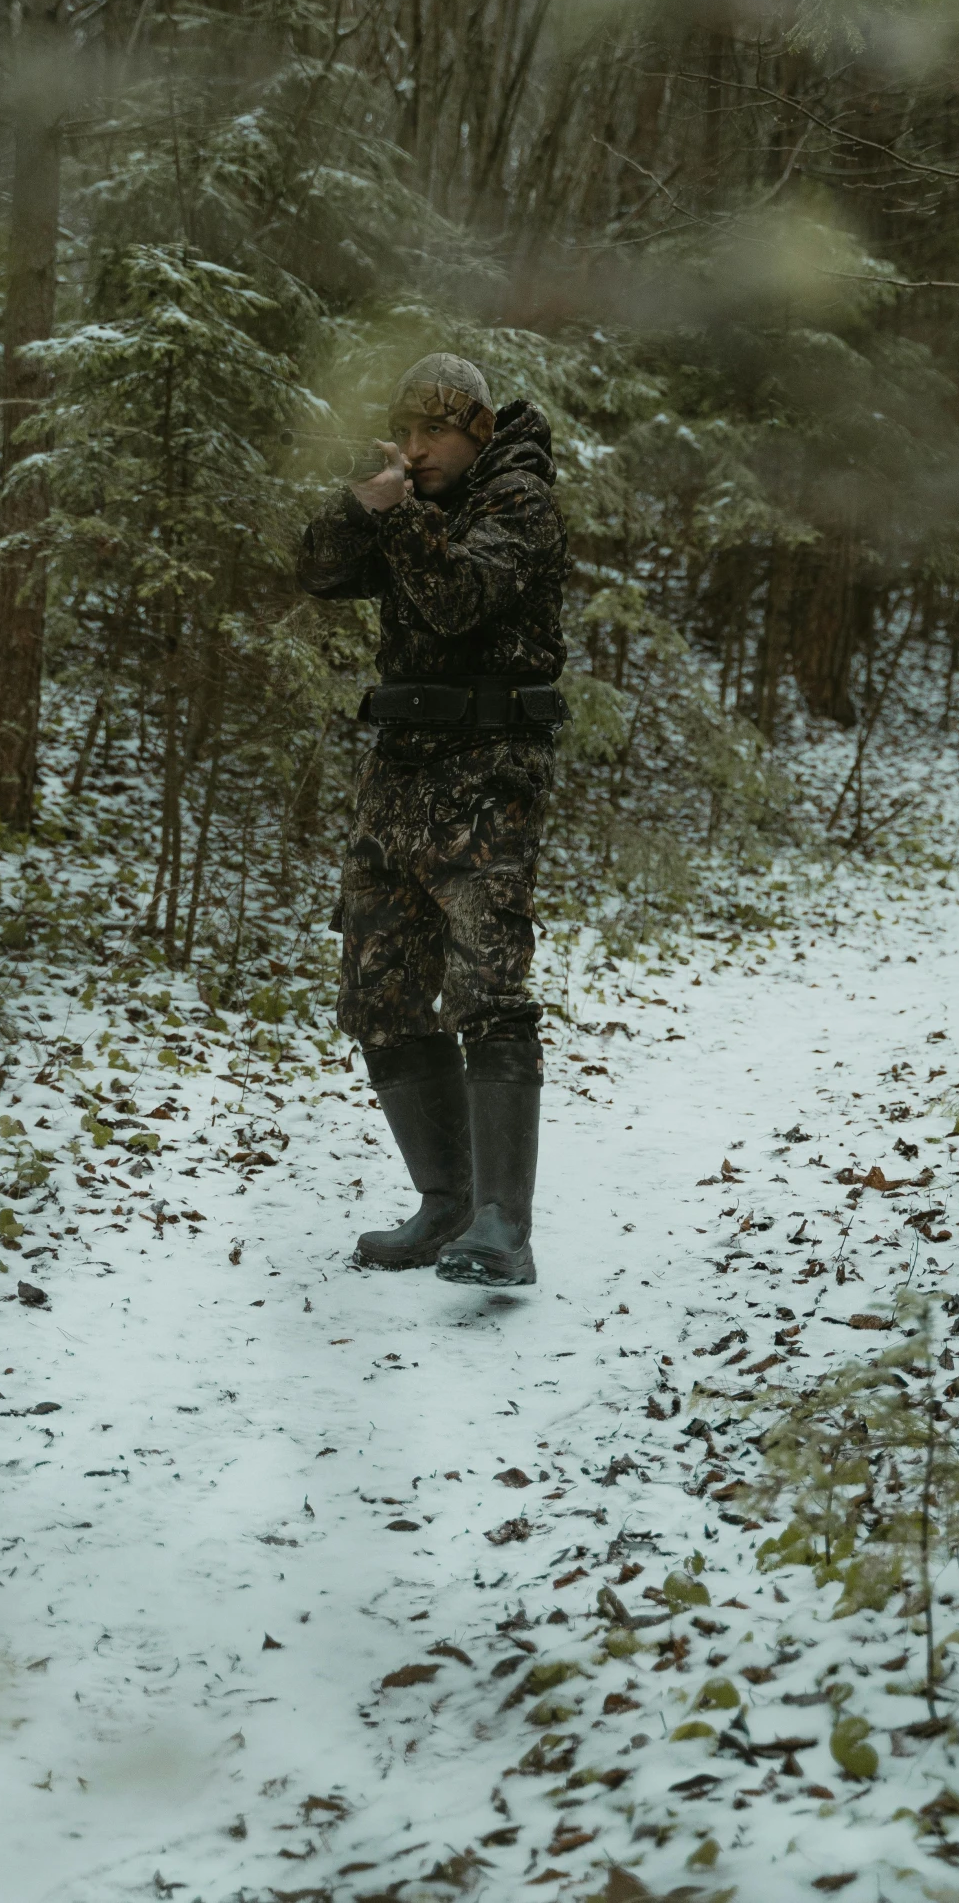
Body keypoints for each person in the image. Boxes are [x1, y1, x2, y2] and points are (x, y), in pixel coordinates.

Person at [296, 352, 569, 1287]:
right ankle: (445, 1203)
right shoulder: (419, 502)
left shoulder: (518, 503)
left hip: (490, 778)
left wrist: (403, 516)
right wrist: (360, 507)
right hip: (399, 773)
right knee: (379, 990)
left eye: (433, 435)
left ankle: (504, 1226)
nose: (414, 452)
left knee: (488, 987)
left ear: (477, 432)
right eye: (404, 434)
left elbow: (458, 600)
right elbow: (319, 573)